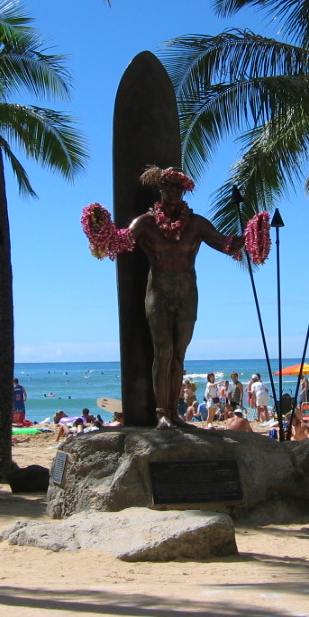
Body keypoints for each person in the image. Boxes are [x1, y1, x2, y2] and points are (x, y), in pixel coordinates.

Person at [122, 166, 247, 428]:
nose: (174, 191)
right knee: (163, 352)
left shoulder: (196, 223)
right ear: (161, 189)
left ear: (185, 190)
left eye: (179, 187)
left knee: (179, 353)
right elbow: (120, 242)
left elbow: (226, 245)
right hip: (158, 293)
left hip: (188, 292)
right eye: (169, 186)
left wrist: (252, 231)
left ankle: (174, 413)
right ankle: (161, 413)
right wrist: (97, 225)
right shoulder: (146, 223)